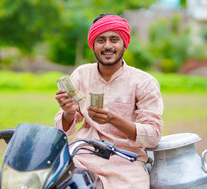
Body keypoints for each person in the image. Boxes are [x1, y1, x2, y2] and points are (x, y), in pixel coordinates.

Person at [54, 14, 164, 189]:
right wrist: (69, 112)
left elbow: (152, 136)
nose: (107, 46)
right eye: (101, 40)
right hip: (83, 154)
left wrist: (113, 119)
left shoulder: (144, 82)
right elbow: (63, 130)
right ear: (93, 45)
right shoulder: (82, 75)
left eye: (114, 39)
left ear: (124, 44)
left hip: (126, 160)